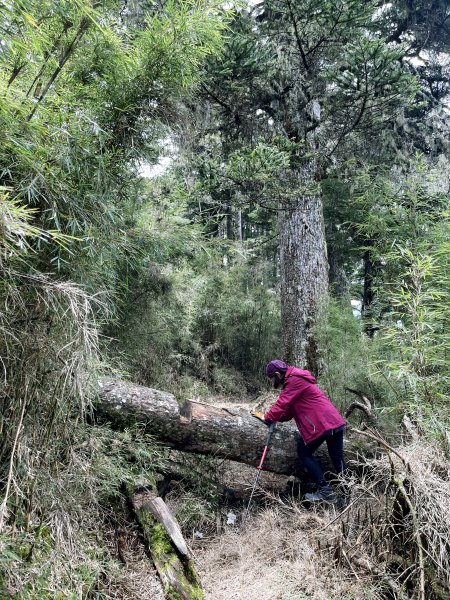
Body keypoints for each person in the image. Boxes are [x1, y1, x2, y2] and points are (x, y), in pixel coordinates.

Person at [259, 359, 347, 503]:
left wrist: (267, 417)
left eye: (272, 379)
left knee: (304, 452)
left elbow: (282, 403)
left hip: (322, 423)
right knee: (338, 460)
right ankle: (348, 493)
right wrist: (275, 418)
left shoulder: (294, 381)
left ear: (277, 374)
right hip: (334, 421)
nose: (272, 383)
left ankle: (326, 491)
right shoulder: (296, 380)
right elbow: (287, 412)